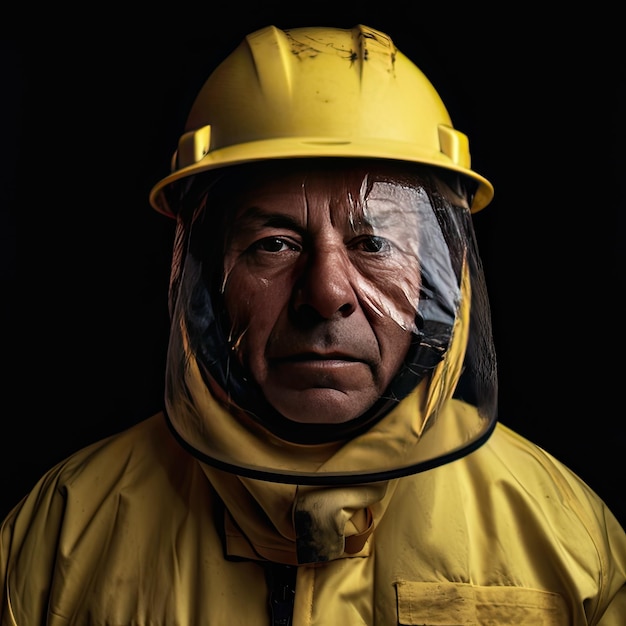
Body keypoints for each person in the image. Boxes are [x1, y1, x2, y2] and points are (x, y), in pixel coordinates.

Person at [1, 23, 625, 625]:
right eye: (274, 244)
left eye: (375, 242)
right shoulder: (66, 531)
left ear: (443, 277)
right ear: (203, 280)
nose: (326, 293)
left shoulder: (565, 539)